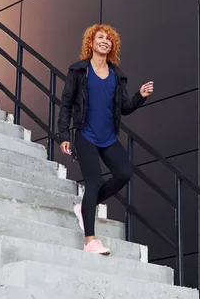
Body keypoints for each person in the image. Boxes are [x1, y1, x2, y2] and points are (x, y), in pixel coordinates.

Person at [57, 24, 154, 255]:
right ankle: (90, 240)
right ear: (91, 43)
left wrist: (140, 96)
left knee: (125, 172)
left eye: (109, 39)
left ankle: (85, 208)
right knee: (94, 182)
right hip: (86, 135)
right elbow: (67, 104)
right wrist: (63, 135)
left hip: (108, 137)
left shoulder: (117, 76)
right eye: (100, 37)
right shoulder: (79, 71)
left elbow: (125, 108)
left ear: (112, 46)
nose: (105, 41)